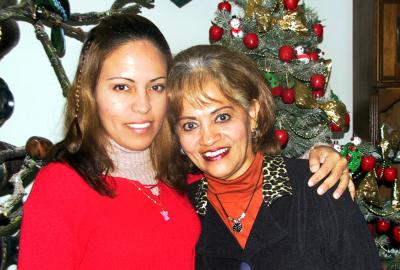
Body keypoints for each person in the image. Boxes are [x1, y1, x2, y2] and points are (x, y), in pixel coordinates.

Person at [18, 13, 351, 269]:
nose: (143, 105)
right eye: (122, 87)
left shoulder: (187, 182)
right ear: (90, 94)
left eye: (156, 86)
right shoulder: (62, 186)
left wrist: (317, 157)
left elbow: (245, 175)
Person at [164, 44, 380, 269]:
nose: (207, 138)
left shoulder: (320, 187)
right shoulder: (182, 211)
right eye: (190, 125)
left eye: (222, 117)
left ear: (252, 114)